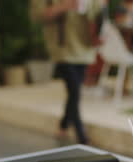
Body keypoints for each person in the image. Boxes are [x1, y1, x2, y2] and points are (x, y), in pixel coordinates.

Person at [31, 0, 105, 144]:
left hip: (84, 47)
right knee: (74, 92)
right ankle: (82, 137)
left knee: (74, 91)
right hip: (62, 49)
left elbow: (99, 9)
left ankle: (63, 125)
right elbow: (38, 15)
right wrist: (64, 6)